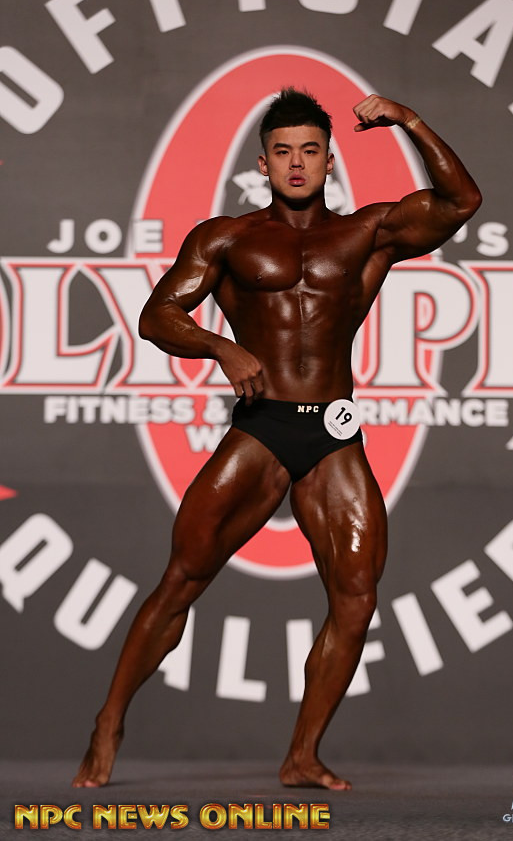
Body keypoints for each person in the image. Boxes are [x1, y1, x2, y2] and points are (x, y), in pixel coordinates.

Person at [72, 88, 481, 790]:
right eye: (283, 151)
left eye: (310, 150)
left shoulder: (367, 233)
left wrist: (408, 120)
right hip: (262, 428)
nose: (297, 163)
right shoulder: (226, 238)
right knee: (183, 578)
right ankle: (109, 721)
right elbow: (156, 315)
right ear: (262, 163)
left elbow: (460, 201)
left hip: (332, 431)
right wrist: (219, 347)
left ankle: (302, 754)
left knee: (356, 597)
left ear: (330, 161)